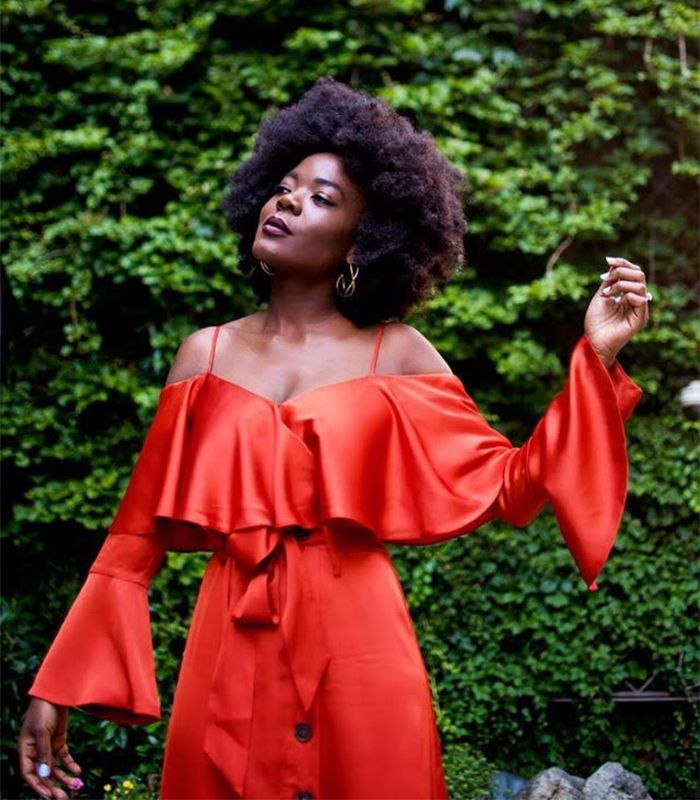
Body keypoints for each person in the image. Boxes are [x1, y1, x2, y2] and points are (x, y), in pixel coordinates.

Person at [18, 76, 648, 800]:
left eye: (322, 197)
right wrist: (57, 684)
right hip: (227, 644)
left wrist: (595, 358)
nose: (288, 201)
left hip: (361, 651)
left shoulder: (398, 353)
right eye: (284, 186)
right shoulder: (205, 355)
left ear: (363, 242)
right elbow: (134, 541)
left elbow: (514, 485)